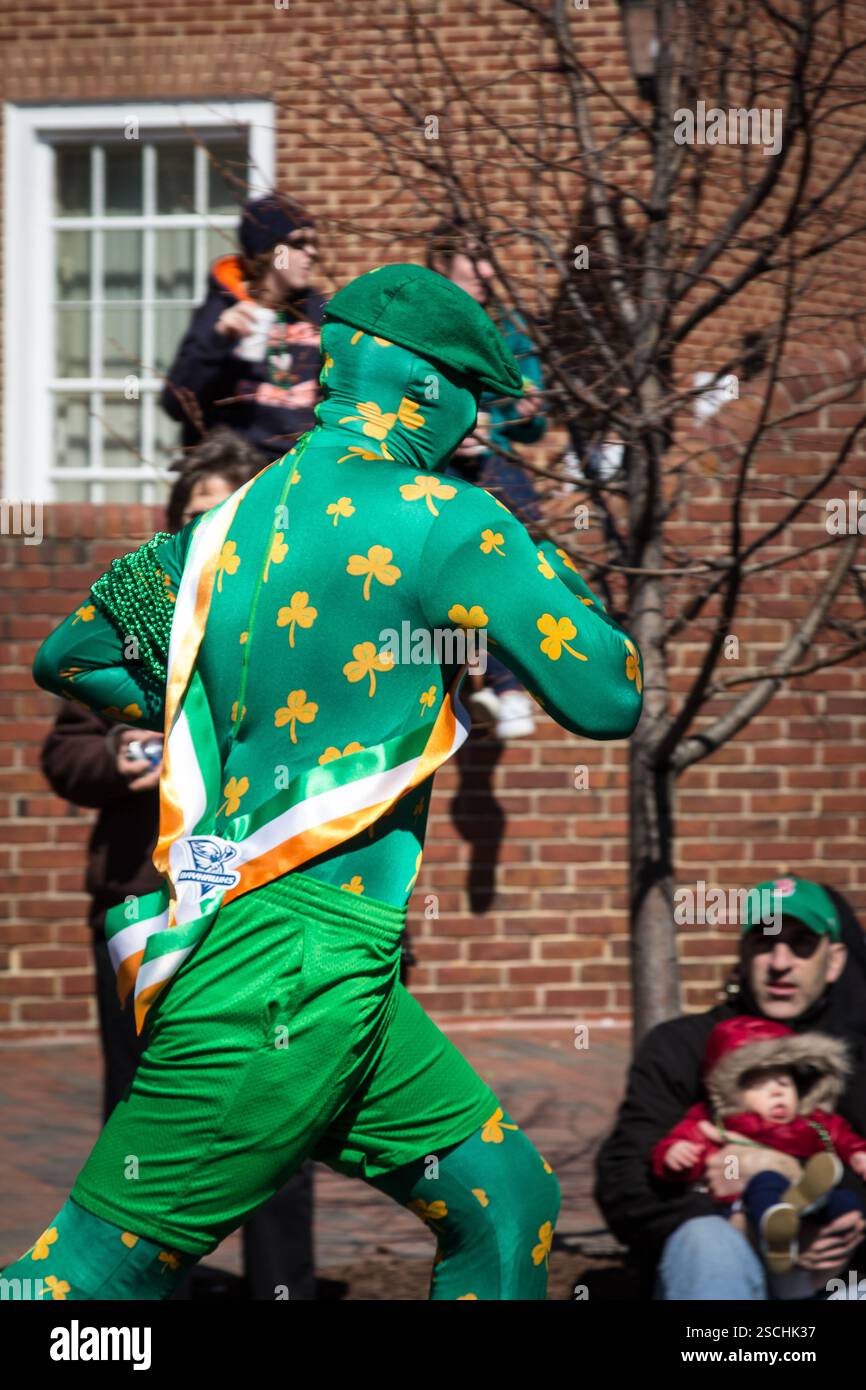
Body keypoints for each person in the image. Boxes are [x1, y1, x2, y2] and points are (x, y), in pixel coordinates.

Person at [5, 264, 643, 1301]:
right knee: (82, 1281)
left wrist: (216, 723)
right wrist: (545, 571)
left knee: (506, 1197)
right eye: (474, 401)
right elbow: (609, 693)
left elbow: (71, 655)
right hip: (287, 976)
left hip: (326, 968)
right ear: (427, 391)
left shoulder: (220, 527)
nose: (478, 428)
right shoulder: (454, 523)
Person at [38, 430, 319, 1301]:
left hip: (255, 912)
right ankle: (126, 1308)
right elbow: (66, 753)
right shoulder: (126, 625)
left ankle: (282, 1290)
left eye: (230, 516)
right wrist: (124, 757)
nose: (213, 530)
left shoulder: (296, 627)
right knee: (141, 1117)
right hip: (141, 910)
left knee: (268, 1112)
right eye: (197, 516)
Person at [594, 877, 866, 1300]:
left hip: (841, 1270)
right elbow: (624, 1183)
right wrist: (746, 1224)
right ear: (743, 953)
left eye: (800, 943)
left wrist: (798, 1185)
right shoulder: (681, 1046)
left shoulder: (855, 1058)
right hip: (723, 1252)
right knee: (707, 1242)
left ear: (834, 961)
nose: (780, 961)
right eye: (764, 941)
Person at [427, 220, 548, 740]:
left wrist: (518, 411)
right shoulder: (422, 327)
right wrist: (452, 425)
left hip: (494, 468)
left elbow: (535, 423)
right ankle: (474, 678)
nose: (485, 271)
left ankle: (504, 681)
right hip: (437, 470)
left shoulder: (509, 330)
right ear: (441, 263)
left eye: (488, 258)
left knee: (516, 547)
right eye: (473, 257)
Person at [652, 1015, 866, 1275]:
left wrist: (857, 1153)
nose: (777, 1092)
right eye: (761, 1085)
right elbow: (689, 1145)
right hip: (751, 1226)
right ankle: (777, 1232)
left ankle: (817, 1212)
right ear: (733, 1092)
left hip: (814, 1235)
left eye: (784, 1084)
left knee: (845, 1198)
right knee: (765, 1181)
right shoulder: (720, 1125)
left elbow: (843, 1136)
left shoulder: (815, 1123)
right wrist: (676, 1156)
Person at [161, 194, 324, 464]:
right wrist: (218, 341)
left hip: (297, 476)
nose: (313, 253)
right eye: (298, 243)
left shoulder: (317, 313)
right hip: (234, 474)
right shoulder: (223, 309)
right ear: (268, 250)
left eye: (314, 243)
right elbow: (176, 405)